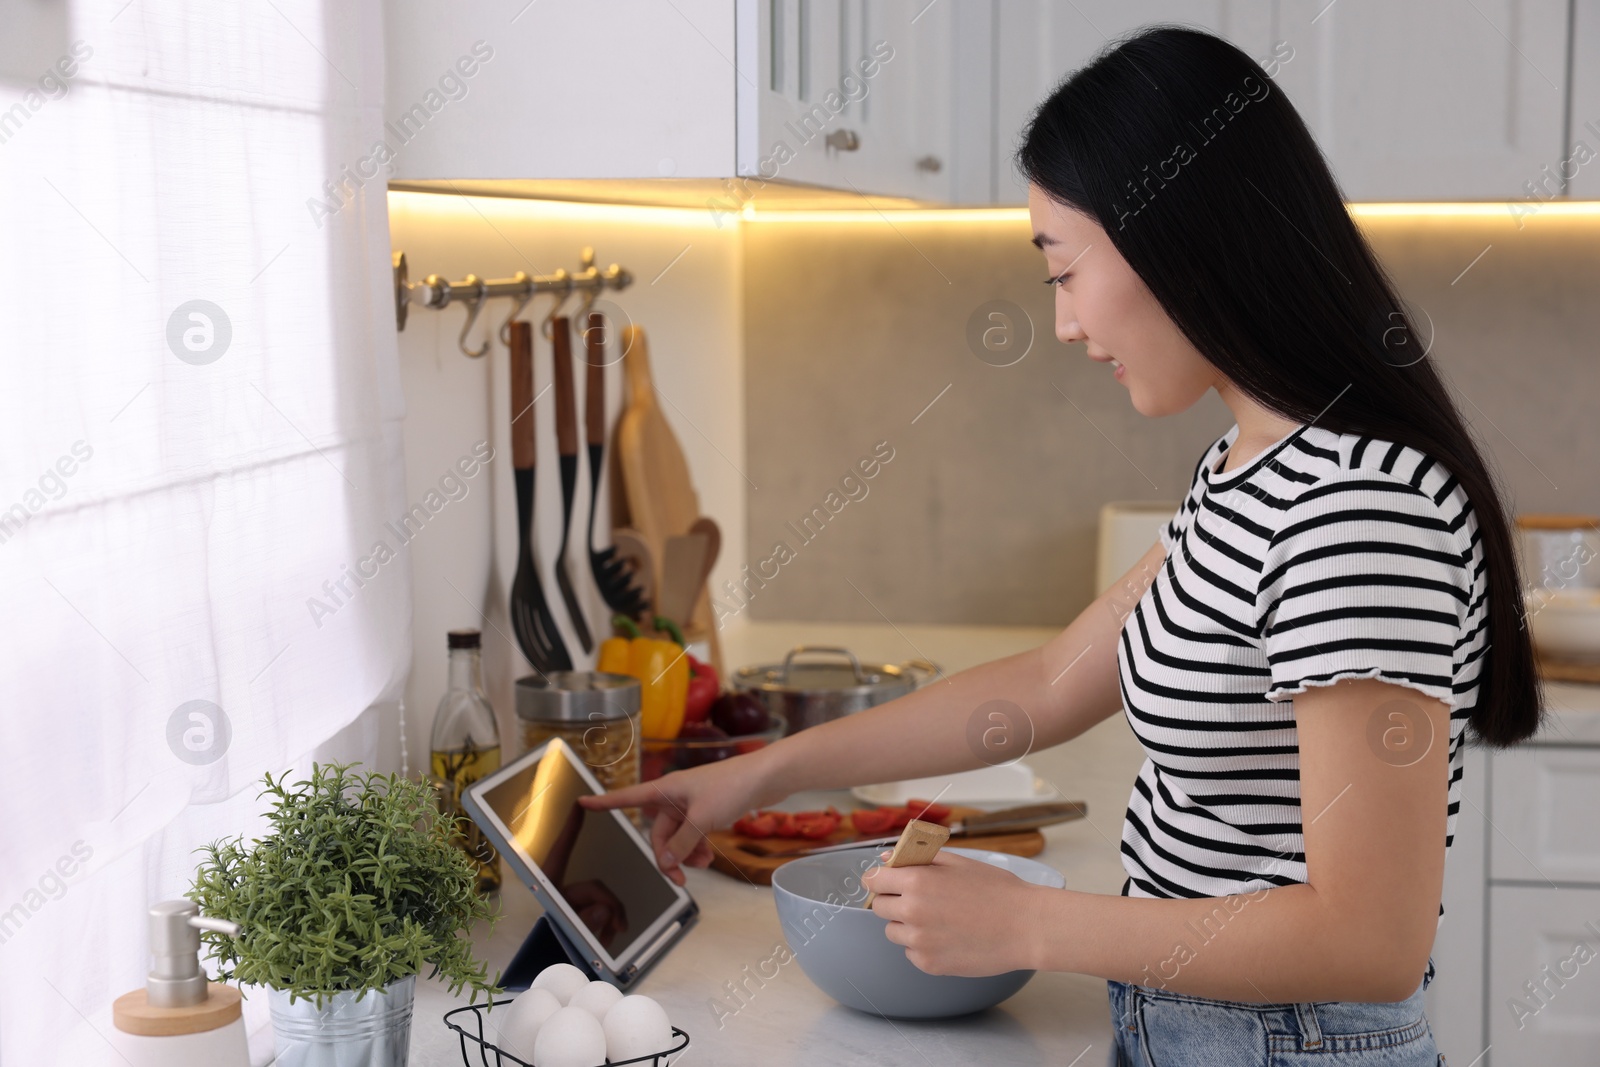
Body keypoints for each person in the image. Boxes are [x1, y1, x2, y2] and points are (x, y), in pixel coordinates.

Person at [582, 24, 1541, 1065]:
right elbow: (1047, 683)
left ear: (1178, 240)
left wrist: (1030, 923)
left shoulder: (1357, 509)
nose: (1066, 323)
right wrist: (758, 773)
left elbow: (1370, 939)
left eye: (1063, 270)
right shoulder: (1252, 465)